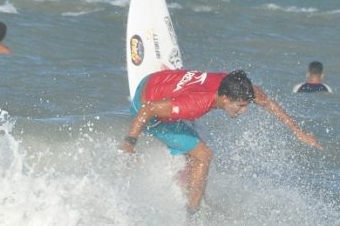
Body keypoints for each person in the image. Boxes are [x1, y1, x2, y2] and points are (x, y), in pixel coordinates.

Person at [121, 69, 322, 213]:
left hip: (156, 78)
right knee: (203, 155)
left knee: (195, 137)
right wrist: (130, 143)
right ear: (225, 99)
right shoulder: (196, 105)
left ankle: (191, 182)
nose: (244, 111)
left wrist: (298, 132)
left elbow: (267, 101)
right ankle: (192, 214)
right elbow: (148, 110)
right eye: (241, 106)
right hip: (146, 108)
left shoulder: (234, 84)